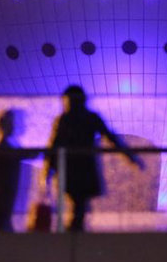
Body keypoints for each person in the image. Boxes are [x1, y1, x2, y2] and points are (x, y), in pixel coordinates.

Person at [45, 85, 144, 232]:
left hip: (70, 169)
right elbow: (111, 138)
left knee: (77, 202)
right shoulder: (90, 118)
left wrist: (49, 169)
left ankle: (74, 230)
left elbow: (54, 146)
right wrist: (130, 156)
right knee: (80, 202)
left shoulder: (64, 120)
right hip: (84, 168)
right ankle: (76, 229)